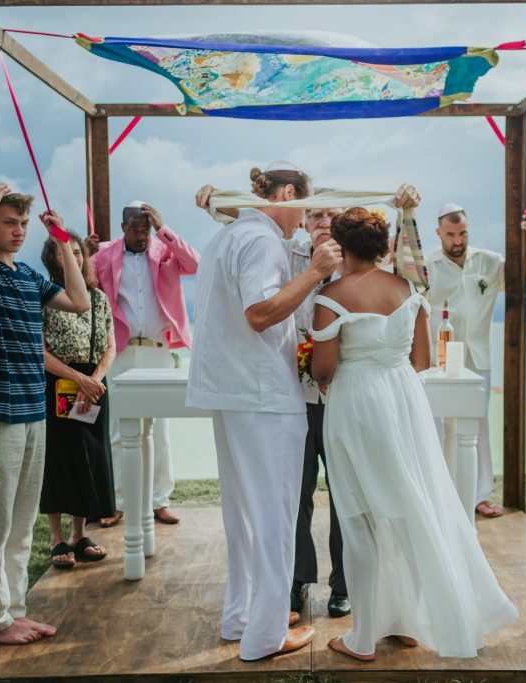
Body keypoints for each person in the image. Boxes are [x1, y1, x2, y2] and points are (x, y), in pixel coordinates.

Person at [194, 182, 422, 623]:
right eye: (314, 217)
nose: (321, 224)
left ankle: (344, 585)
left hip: (343, 397)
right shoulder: (289, 252)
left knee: (346, 494)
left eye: (329, 218)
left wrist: (406, 214)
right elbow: (252, 227)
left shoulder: (363, 270)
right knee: (293, 496)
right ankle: (296, 582)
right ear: (304, 219)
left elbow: (412, 278)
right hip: (293, 394)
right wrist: (216, 205)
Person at [310, 207, 517, 660]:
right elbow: (422, 359)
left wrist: (326, 368)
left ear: (342, 249)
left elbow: (323, 368)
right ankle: (406, 621)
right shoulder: (409, 291)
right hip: (403, 398)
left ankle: (362, 637)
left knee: (360, 517)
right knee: (408, 508)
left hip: (356, 401)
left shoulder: (329, 298)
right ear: (382, 246)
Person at [186, 163, 342, 661]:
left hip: (231, 391)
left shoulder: (230, 236)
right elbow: (259, 314)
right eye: (303, 208)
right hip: (261, 394)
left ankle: (240, 619)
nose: (302, 220)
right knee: (273, 515)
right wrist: (316, 272)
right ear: (290, 194)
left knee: (244, 517)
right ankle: (266, 636)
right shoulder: (261, 240)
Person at [0, 184, 90, 644]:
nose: (18, 231)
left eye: (23, 224)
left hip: (32, 410)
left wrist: (62, 241)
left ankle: (12, 609)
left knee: (22, 522)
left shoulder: (26, 276)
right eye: (9, 222)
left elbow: (79, 303)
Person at [426, 203, 526, 518]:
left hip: (477, 356)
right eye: (450, 235)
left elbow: (520, 278)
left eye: (462, 233)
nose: (457, 240)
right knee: (434, 424)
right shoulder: (428, 265)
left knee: (477, 425)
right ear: (439, 233)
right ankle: (437, 492)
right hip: (440, 357)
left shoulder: (488, 262)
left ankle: (478, 495)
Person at [91, 201, 199, 527]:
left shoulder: (163, 249)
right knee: (117, 431)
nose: (141, 235)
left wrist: (164, 229)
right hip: (120, 351)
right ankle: (119, 502)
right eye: (135, 229)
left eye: (146, 229)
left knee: (159, 429)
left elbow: (193, 264)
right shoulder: (105, 254)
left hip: (158, 349)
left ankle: (159, 501)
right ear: (123, 227)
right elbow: (86, 281)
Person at [40, 232, 117, 569]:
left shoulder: (98, 298)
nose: (73, 257)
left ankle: (80, 533)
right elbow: (39, 352)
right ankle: (56, 538)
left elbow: (111, 345)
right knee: (59, 458)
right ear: (51, 259)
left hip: (94, 385)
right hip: (58, 381)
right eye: (64, 252)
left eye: (77, 251)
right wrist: (78, 380)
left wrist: (94, 381)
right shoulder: (43, 296)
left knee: (89, 455)